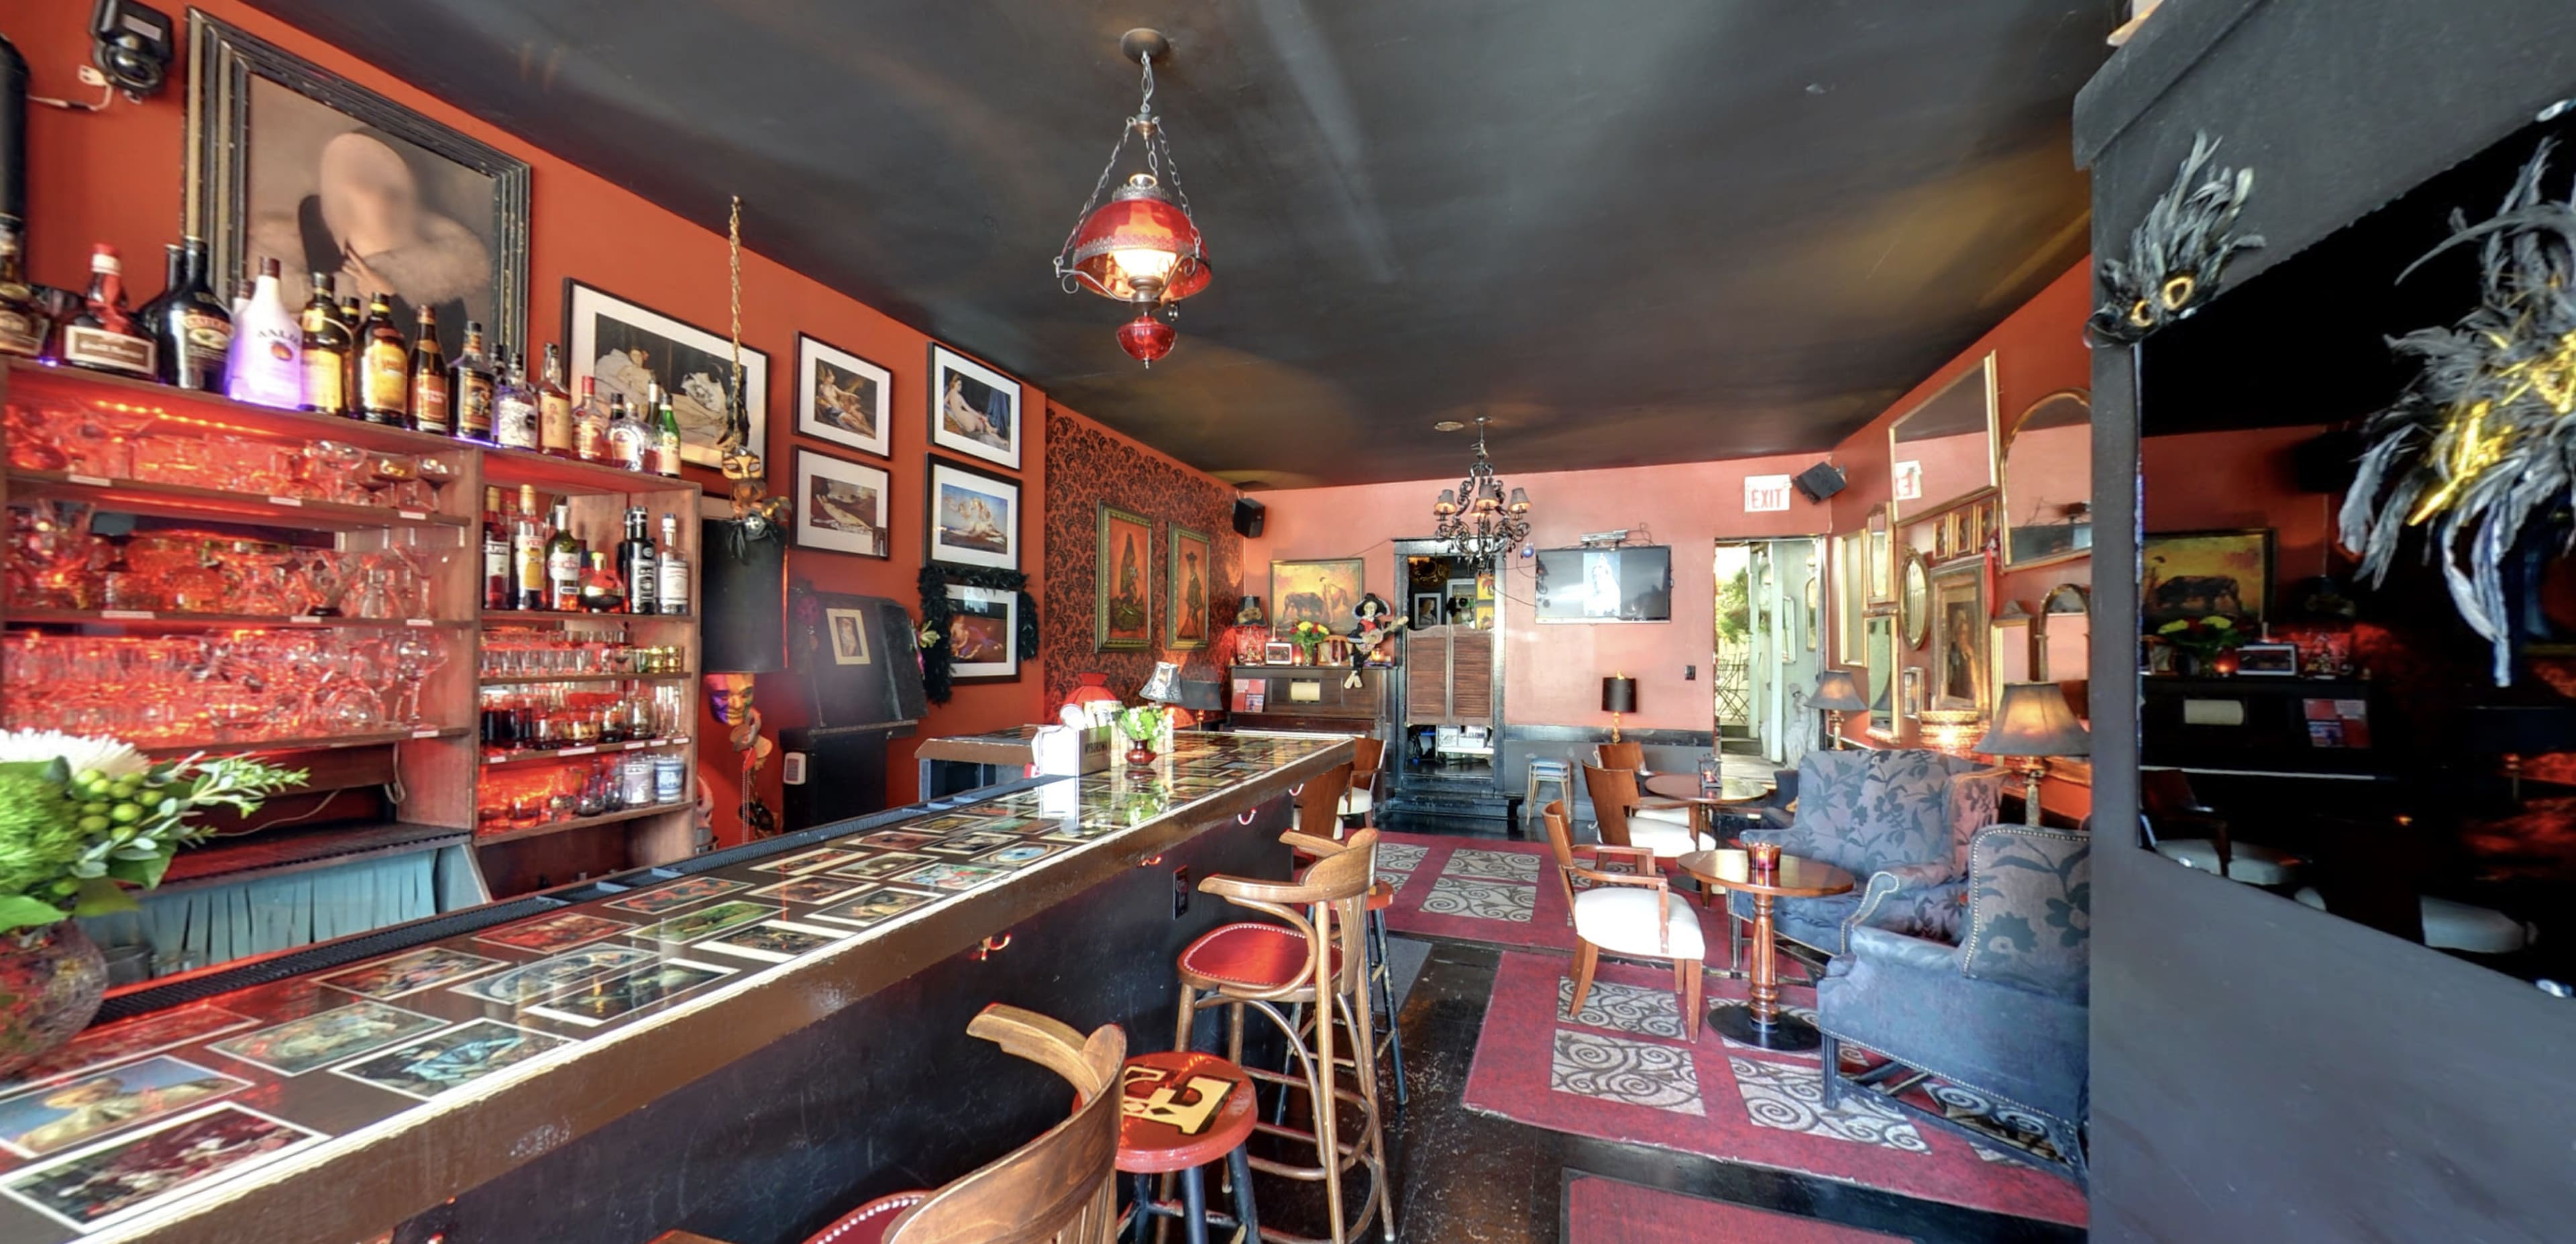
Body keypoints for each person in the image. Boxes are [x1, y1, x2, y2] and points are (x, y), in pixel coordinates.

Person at [248, 130, 488, 338]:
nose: (379, 198)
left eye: (392, 190)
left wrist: (390, 298)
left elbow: (442, 365)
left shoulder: (441, 277)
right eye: (362, 183)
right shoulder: (290, 258)